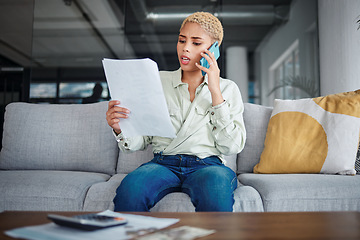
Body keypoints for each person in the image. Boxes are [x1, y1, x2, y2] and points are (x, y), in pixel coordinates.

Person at [106, 12, 246, 212]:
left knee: (215, 195)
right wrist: (121, 128)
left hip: (209, 166)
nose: (185, 48)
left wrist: (215, 91)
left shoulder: (228, 89)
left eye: (196, 43)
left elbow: (232, 146)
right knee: (131, 190)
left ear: (214, 50)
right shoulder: (157, 81)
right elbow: (139, 142)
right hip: (163, 164)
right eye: (182, 40)